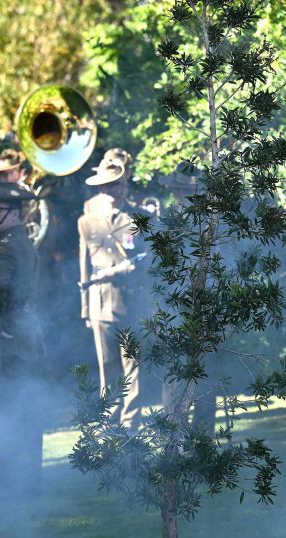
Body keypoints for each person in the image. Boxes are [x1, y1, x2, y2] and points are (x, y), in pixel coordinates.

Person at [0, 183, 45, 493]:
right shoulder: (21, 243)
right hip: (23, 341)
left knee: (6, 413)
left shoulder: (5, 248)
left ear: (14, 214)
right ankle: (27, 482)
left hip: (7, 346)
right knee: (26, 412)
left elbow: (0, 291)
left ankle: (14, 486)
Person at [78, 155, 146, 429]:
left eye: (114, 186)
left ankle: (131, 420)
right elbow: (84, 267)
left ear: (123, 186)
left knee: (132, 366)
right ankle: (111, 419)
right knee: (107, 367)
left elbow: (145, 259)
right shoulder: (86, 222)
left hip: (131, 300)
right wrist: (85, 308)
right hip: (100, 301)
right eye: (103, 187)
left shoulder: (139, 217)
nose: (108, 192)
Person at [158, 161, 217, 433]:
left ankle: (202, 441)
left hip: (205, 311)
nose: (181, 196)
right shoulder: (169, 222)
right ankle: (174, 441)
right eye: (178, 190)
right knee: (173, 380)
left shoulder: (211, 222)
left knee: (205, 380)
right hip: (175, 310)